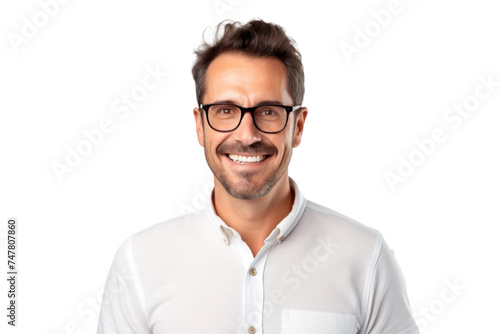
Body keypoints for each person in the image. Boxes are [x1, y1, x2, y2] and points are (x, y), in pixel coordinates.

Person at [96, 19, 419, 334]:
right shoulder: (140, 261)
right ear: (200, 125)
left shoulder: (364, 256)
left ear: (298, 126)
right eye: (225, 110)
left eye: (268, 112)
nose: (247, 134)